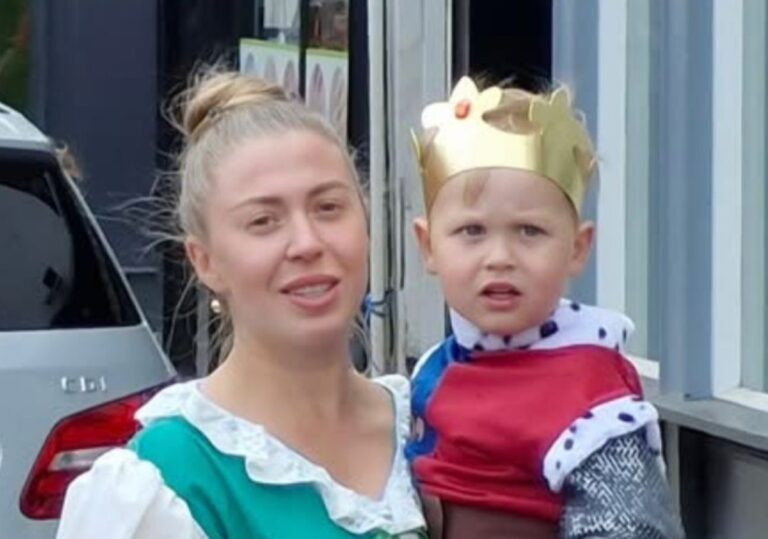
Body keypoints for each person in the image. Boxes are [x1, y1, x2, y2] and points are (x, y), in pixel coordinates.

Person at [56, 69, 426, 539]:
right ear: (204, 260)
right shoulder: (172, 476)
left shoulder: (427, 423)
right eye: (263, 221)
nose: (307, 243)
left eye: (328, 208)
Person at [406, 76, 685, 538]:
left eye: (529, 232)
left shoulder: (590, 399)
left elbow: (630, 527)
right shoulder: (435, 367)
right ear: (427, 245)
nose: (500, 257)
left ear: (578, 247)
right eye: (472, 231)